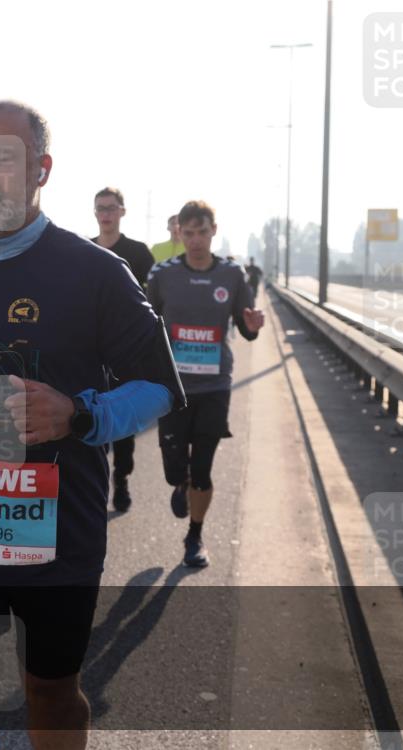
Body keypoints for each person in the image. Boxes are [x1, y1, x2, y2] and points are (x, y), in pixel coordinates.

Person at [0, 101, 184, 749]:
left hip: (58, 535)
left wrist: (80, 413)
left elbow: (161, 385)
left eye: (1, 158)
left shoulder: (96, 272)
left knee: (49, 694)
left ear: (41, 170)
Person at [146, 200, 265, 568]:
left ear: (213, 231)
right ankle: (179, 481)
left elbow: (246, 329)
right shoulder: (162, 274)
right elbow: (144, 326)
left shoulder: (231, 275)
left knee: (204, 468)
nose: (195, 240)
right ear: (179, 232)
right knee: (173, 468)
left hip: (214, 385)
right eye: (188, 233)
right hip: (172, 387)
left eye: (202, 232)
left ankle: (195, 536)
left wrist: (252, 325)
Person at [90, 187, 155, 513]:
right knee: (91, 417)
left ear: (122, 212)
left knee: (123, 425)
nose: (106, 214)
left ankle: (122, 479)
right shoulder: (83, 251)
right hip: (90, 351)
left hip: (126, 352)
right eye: (101, 208)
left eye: (111, 208)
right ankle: (96, 484)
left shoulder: (139, 253)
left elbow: (153, 304)